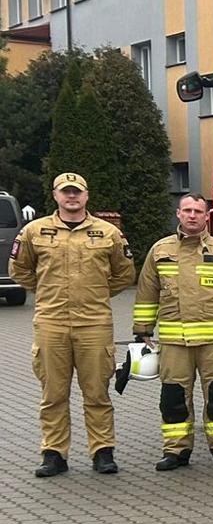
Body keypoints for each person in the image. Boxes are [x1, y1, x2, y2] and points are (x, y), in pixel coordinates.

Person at [11, 172, 135, 477]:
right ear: (55, 195)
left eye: (77, 192)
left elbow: (124, 273)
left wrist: (95, 295)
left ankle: (102, 452)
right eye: (65, 192)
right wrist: (46, 293)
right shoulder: (34, 231)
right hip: (51, 323)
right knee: (53, 393)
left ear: (86, 196)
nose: (72, 197)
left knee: (97, 392)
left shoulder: (108, 233)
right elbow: (19, 269)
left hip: (94, 324)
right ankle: (54, 454)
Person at [134, 193, 213, 470]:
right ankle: (176, 451)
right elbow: (146, 293)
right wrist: (142, 329)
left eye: (198, 211)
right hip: (175, 342)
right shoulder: (160, 251)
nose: (192, 216)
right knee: (174, 399)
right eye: (187, 210)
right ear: (178, 214)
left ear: (206, 216)